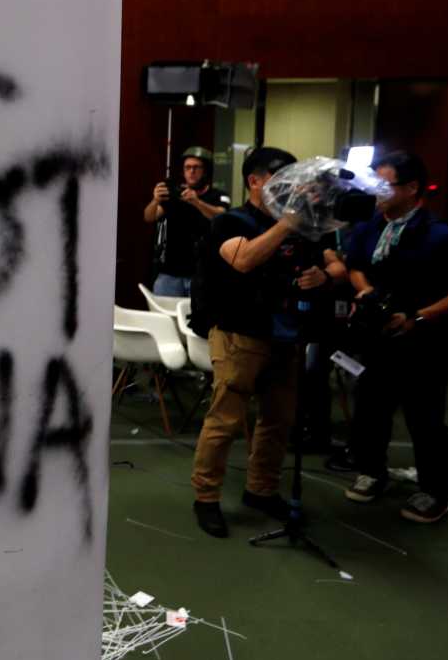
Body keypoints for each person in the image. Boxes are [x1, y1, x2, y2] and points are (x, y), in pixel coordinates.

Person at [187, 147, 345, 538]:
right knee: (225, 420)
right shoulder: (229, 221)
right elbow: (244, 259)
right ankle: (206, 498)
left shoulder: (303, 224)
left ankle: (261, 490)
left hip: (288, 335)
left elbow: (333, 263)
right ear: (254, 181)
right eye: (280, 179)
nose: (290, 187)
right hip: (240, 334)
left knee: (278, 420)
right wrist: (288, 223)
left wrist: (323, 277)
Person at [341, 151, 448, 524]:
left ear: (412, 188)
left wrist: (418, 317)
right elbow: (354, 266)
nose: (376, 192)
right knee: (371, 408)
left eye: (384, 185)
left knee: (424, 416)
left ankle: (435, 491)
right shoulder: (369, 226)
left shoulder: (440, 235)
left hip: (427, 340)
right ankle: (372, 471)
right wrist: (366, 292)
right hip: (378, 337)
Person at [143, 147, 229, 297]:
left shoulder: (218, 195)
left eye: (196, 167)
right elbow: (149, 217)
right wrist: (155, 200)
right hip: (170, 273)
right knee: (164, 312)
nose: (191, 171)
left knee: (201, 312)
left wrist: (196, 202)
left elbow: (221, 217)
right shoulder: (175, 194)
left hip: (203, 274)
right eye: (187, 168)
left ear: (206, 171)